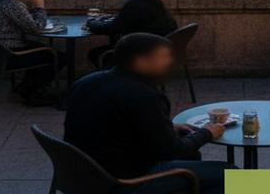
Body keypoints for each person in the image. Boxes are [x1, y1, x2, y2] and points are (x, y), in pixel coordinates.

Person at [64, 33, 234, 192]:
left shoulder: (86, 83)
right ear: (141, 61)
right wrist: (208, 133)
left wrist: (169, 126)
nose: (170, 61)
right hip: (124, 181)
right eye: (163, 56)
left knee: (194, 156)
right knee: (231, 174)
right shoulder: (143, 95)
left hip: (83, 173)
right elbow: (172, 151)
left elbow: (109, 122)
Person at [87, 0, 178, 66]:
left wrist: (91, 24)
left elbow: (114, 28)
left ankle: (116, 78)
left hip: (141, 52)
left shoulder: (134, 5)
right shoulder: (154, 2)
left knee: (95, 54)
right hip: (157, 48)